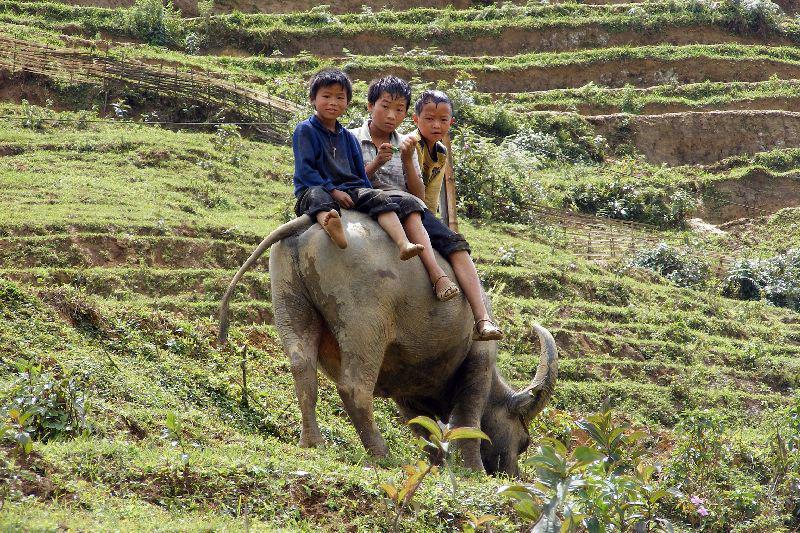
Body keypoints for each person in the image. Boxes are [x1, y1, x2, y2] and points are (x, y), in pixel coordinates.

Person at [352, 78, 503, 340]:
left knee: (455, 242)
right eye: (385, 107)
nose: (391, 115)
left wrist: (407, 160)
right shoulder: (351, 138)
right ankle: (437, 275)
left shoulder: (411, 145)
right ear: (369, 106)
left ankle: (483, 319)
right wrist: (377, 162)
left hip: (408, 203)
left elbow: (421, 197)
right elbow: (351, 181)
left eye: (398, 109)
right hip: (369, 200)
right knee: (410, 206)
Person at [292, 68, 423, 261]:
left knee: (377, 196)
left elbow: (359, 174)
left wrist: (369, 194)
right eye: (326, 96)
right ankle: (331, 224)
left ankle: (403, 243)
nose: (333, 102)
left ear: (347, 102)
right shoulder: (305, 130)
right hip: (315, 188)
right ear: (313, 98)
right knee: (317, 196)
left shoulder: (348, 137)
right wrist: (333, 190)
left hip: (349, 189)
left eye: (339, 97)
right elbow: (306, 170)